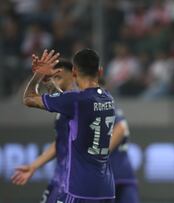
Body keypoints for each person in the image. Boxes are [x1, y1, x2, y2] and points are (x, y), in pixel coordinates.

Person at [22, 49, 116, 202]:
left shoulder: (75, 100)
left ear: (74, 71)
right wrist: (51, 83)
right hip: (106, 189)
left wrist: (39, 74)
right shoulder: (107, 98)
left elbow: (29, 98)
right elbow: (66, 104)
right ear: (100, 71)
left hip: (81, 188)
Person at [12, 60, 74, 203]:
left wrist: (39, 77)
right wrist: (34, 166)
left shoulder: (79, 103)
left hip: (72, 182)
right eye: (54, 78)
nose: (55, 82)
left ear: (73, 75)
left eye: (59, 77)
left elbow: (29, 98)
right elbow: (61, 142)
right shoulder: (66, 105)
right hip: (59, 178)